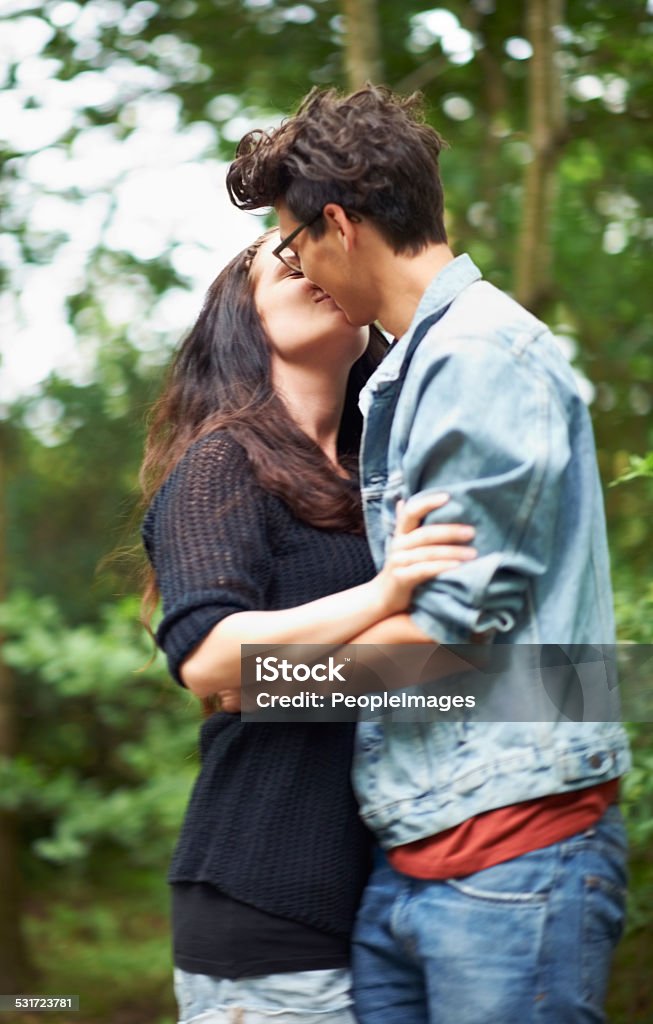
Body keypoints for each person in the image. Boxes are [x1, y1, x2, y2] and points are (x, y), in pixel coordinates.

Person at [226, 85, 632, 1024]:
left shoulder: (483, 357)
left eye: (291, 245)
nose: (297, 269)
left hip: (511, 860)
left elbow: (443, 646)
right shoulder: (414, 371)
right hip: (416, 856)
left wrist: (265, 687)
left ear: (337, 223)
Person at [140, 228, 478, 1024]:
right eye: (286, 262)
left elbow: (461, 664)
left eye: (326, 251)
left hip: (396, 900)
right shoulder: (222, 462)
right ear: (240, 317)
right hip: (266, 901)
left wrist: (279, 683)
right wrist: (387, 595)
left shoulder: (383, 475)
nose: (314, 267)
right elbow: (208, 658)